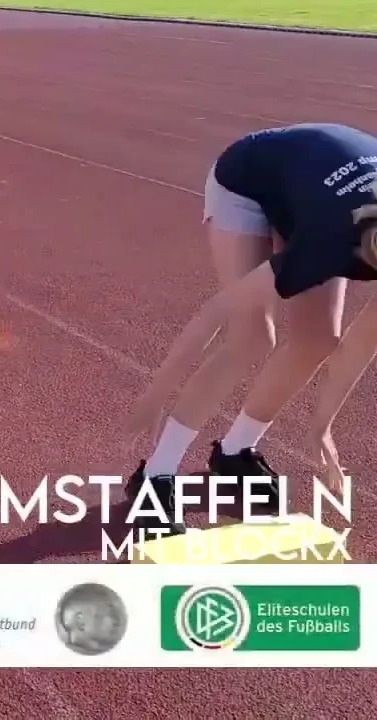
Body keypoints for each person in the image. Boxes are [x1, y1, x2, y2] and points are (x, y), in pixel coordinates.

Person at [125, 123, 377, 535]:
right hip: (250, 178)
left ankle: (236, 451)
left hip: (319, 192)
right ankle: (156, 473)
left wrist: (322, 427)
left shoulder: (347, 238)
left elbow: (362, 344)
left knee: (317, 339)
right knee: (251, 336)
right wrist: (159, 389)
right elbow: (216, 312)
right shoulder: (328, 245)